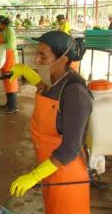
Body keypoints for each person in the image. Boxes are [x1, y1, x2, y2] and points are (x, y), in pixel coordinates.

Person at [8, 31, 92, 214]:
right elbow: (44, 87)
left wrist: (34, 176)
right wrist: (23, 70)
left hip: (67, 175)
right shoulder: (55, 80)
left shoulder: (74, 92)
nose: (36, 60)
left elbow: (70, 148)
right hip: (50, 170)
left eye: (42, 56)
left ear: (62, 60)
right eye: (36, 53)